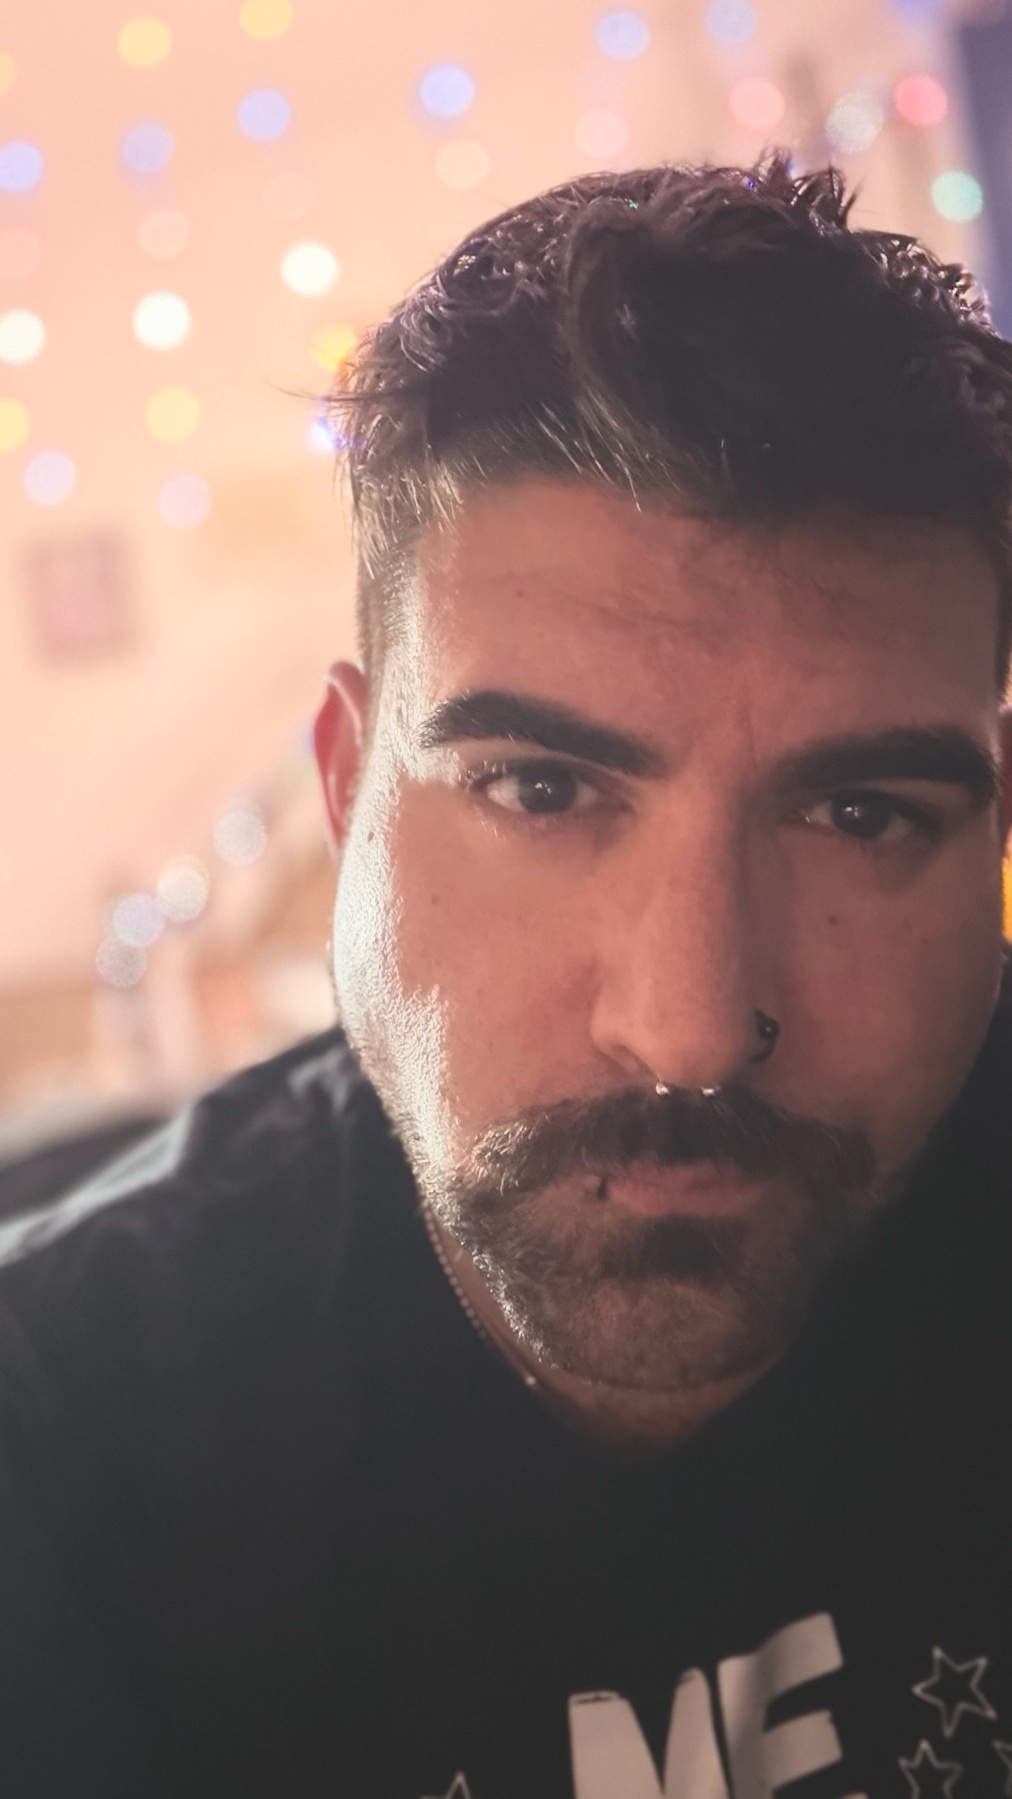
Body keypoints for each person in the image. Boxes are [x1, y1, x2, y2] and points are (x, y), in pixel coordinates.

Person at [3, 151, 1012, 1799]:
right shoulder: (60, 1467)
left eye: (859, 814)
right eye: (542, 790)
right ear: (345, 793)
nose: (691, 1028)